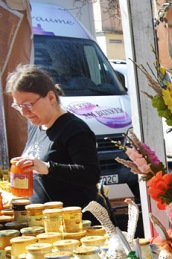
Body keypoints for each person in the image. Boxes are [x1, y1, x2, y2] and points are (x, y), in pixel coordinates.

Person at [6, 64, 101, 208]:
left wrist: (48, 168)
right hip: (43, 222)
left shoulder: (74, 129)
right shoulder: (36, 126)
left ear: (51, 97)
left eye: (28, 105)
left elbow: (91, 174)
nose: (23, 112)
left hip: (75, 222)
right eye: (18, 106)